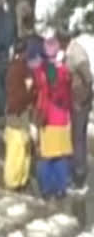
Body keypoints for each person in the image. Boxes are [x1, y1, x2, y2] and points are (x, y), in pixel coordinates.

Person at [32, 38, 73, 199]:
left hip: (48, 117)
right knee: (60, 156)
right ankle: (61, 188)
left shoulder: (42, 71)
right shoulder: (64, 71)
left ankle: (47, 189)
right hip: (62, 118)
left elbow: (41, 93)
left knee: (46, 156)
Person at [58, 29, 93, 193]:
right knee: (76, 137)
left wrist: (82, 99)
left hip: (80, 101)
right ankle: (77, 171)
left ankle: (79, 178)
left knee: (78, 138)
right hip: (76, 99)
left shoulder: (76, 55)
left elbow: (88, 78)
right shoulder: (71, 51)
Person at [3, 38, 36, 190]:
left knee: (18, 146)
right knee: (19, 147)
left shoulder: (12, 67)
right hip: (19, 112)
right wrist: (33, 95)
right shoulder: (22, 69)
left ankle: (18, 178)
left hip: (13, 110)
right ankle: (15, 180)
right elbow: (23, 94)